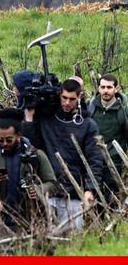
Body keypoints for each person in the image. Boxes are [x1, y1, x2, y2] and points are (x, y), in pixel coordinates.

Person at [23, 78, 102, 231]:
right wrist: (29, 117)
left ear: (79, 97)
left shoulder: (87, 124)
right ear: (59, 95)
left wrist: (90, 189)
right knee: (45, 237)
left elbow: (94, 159)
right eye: (64, 98)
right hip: (48, 187)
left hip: (73, 191)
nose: (67, 103)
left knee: (73, 238)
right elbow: (31, 144)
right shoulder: (47, 118)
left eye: (72, 99)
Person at [0, 109, 56, 222]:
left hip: (30, 219)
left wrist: (37, 189)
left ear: (19, 135)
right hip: (0, 219)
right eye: (0, 140)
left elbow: (53, 184)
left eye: (9, 140)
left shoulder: (36, 156)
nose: (4, 144)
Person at [88, 74, 128, 201]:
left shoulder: (123, 110)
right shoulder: (91, 107)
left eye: (109, 87)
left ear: (116, 89)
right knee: (93, 197)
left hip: (114, 163)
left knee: (111, 198)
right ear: (98, 88)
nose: (105, 90)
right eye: (103, 87)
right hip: (93, 161)